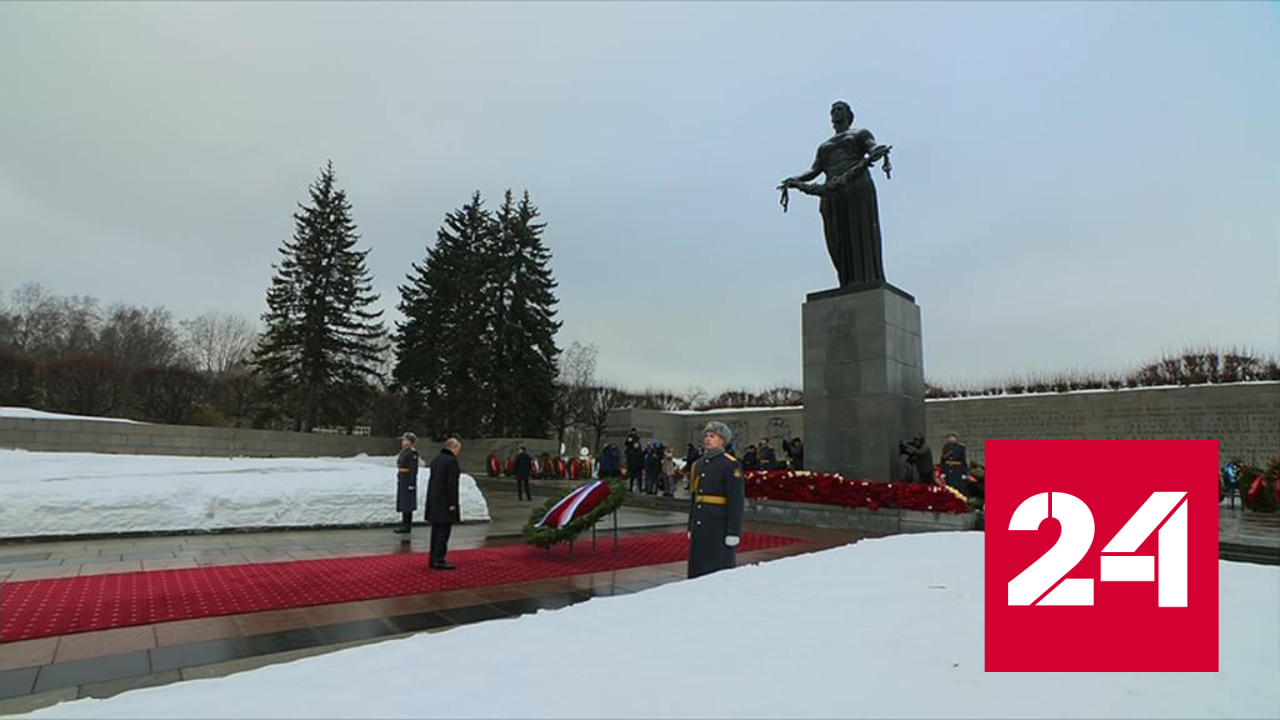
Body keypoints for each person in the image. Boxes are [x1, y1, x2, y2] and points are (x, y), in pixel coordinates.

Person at [687, 421, 745, 579]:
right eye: (706, 435)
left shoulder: (730, 464)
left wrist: (733, 531)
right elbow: (695, 498)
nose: (708, 439)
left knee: (718, 569)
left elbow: (736, 501)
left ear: (723, 441)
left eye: (712, 436)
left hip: (718, 525)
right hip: (701, 522)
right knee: (698, 568)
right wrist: (691, 525)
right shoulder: (698, 464)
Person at [426, 438, 462, 570]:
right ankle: (439, 559)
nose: (459, 452)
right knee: (443, 532)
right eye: (458, 449)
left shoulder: (437, 460)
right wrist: (452, 503)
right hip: (445, 502)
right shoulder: (451, 462)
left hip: (435, 501)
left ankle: (433, 558)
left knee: (436, 532)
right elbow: (451, 485)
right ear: (454, 447)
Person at [394, 432, 420, 534]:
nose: (403, 442)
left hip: (408, 480)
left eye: (405, 440)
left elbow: (413, 469)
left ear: (410, 442)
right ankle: (404, 524)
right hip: (403, 480)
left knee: (407, 504)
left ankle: (407, 525)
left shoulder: (412, 453)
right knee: (404, 503)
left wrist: (411, 483)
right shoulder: (404, 452)